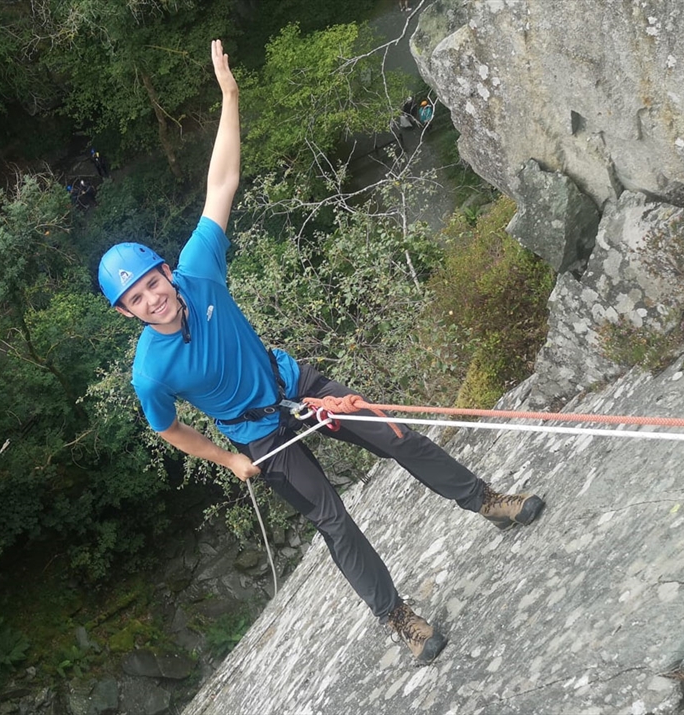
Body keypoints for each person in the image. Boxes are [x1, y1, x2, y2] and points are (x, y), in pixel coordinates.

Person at [96, 40, 545, 664]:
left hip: (296, 386)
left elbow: (221, 180)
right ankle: (398, 618)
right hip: (260, 438)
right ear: (125, 314)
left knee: (398, 436)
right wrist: (228, 460)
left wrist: (229, 96)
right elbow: (169, 429)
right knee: (333, 519)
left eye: (152, 284)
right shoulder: (151, 372)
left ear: (167, 273)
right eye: (136, 300)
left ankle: (487, 502)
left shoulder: (201, 272)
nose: (152, 301)